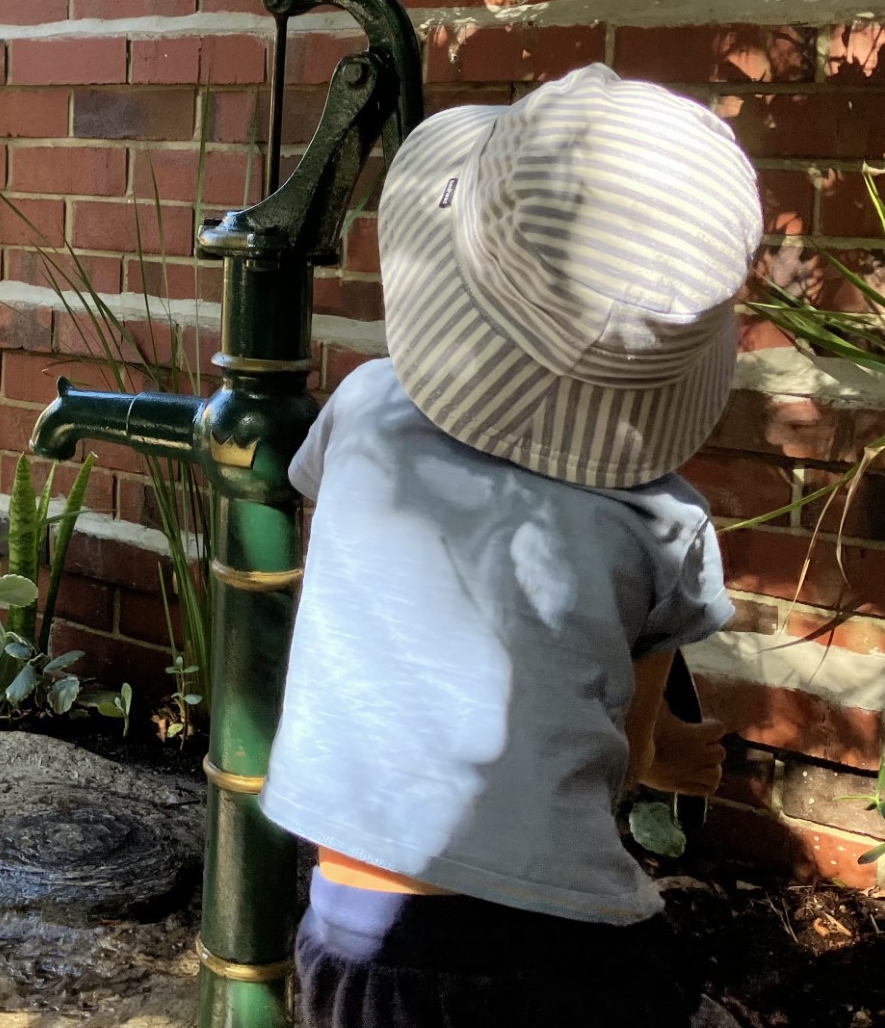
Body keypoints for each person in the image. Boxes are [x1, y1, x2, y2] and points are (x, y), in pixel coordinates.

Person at [263, 64, 760, 1028]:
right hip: (555, 951)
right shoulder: (663, 522)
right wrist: (677, 762)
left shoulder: (362, 408)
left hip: (352, 925)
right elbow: (630, 749)